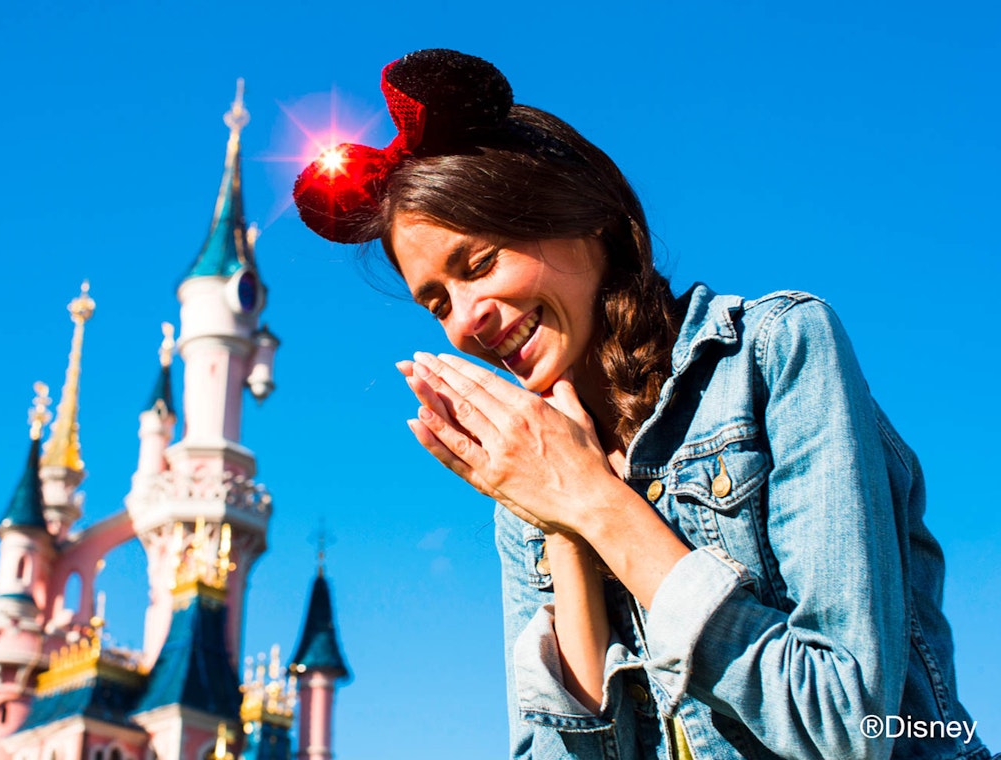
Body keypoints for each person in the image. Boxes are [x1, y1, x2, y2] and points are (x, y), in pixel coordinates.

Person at [293, 49, 991, 760]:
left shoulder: (775, 353)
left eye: (478, 264)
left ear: (579, 215)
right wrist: (560, 526)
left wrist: (595, 503)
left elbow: (846, 726)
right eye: (437, 301)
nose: (465, 320)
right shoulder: (530, 484)